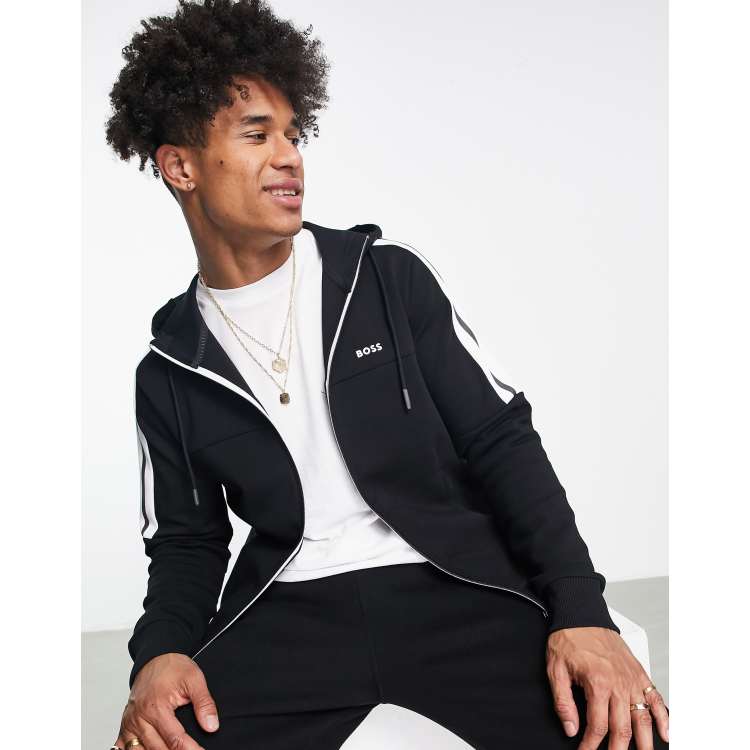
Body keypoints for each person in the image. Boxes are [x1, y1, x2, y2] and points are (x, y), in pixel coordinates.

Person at [104, 2, 669, 748]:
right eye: (257, 135)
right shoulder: (171, 366)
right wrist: (159, 654)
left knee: (620, 731)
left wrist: (581, 611)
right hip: (289, 611)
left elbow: (501, 443)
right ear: (181, 166)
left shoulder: (385, 281)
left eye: (293, 134)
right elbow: (186, 541)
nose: (290, 157)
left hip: (450, 583)